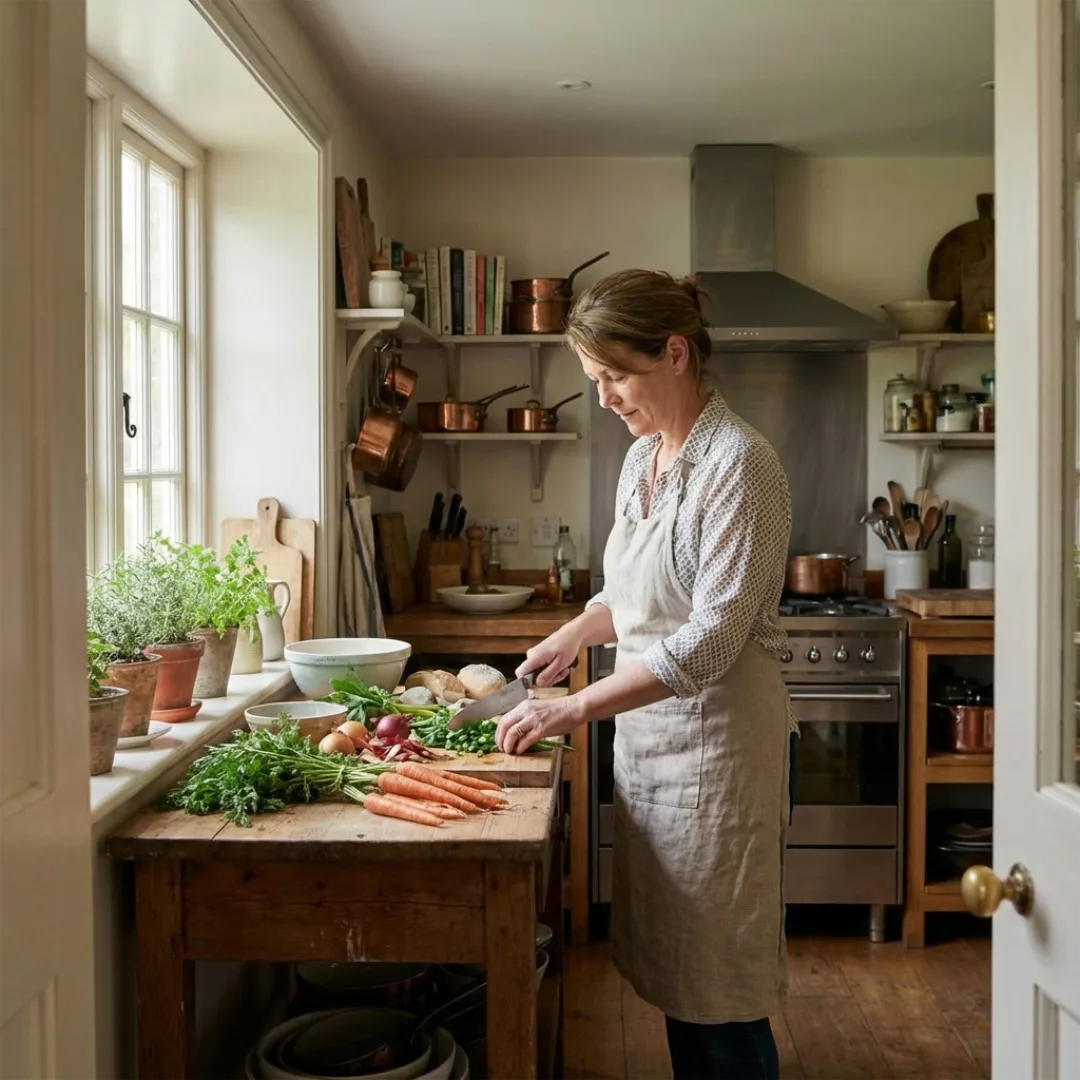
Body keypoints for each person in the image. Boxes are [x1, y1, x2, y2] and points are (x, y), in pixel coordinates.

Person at [494, 268, 797, 1080]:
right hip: (653, 748)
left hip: (720, 752)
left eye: (614, 376)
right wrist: (572, 635)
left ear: (673, 353)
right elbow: (629, 595)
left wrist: (577, 707)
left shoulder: (740, 464)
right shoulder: (643, 462)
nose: (603, 399)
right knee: (676, 976)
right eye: (593, 380)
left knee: (720, 989)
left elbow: (707, 642)